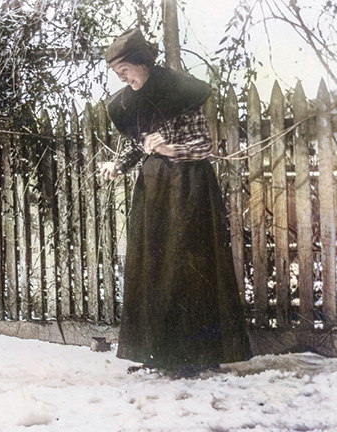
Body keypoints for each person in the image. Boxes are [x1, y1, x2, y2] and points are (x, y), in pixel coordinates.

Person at [98, 28, 250, 376]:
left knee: (188, 270)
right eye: (115, 71)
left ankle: (196, 356)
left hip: (189, 190)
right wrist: (117, 165)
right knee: (153, 270)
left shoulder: (180, 91)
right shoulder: (130, 102)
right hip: (154, 193)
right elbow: (138, 145)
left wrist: (167, 149)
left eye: (123, 67)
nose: (120, 75)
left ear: (139, 62)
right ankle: (158, 354)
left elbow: (202, 147)